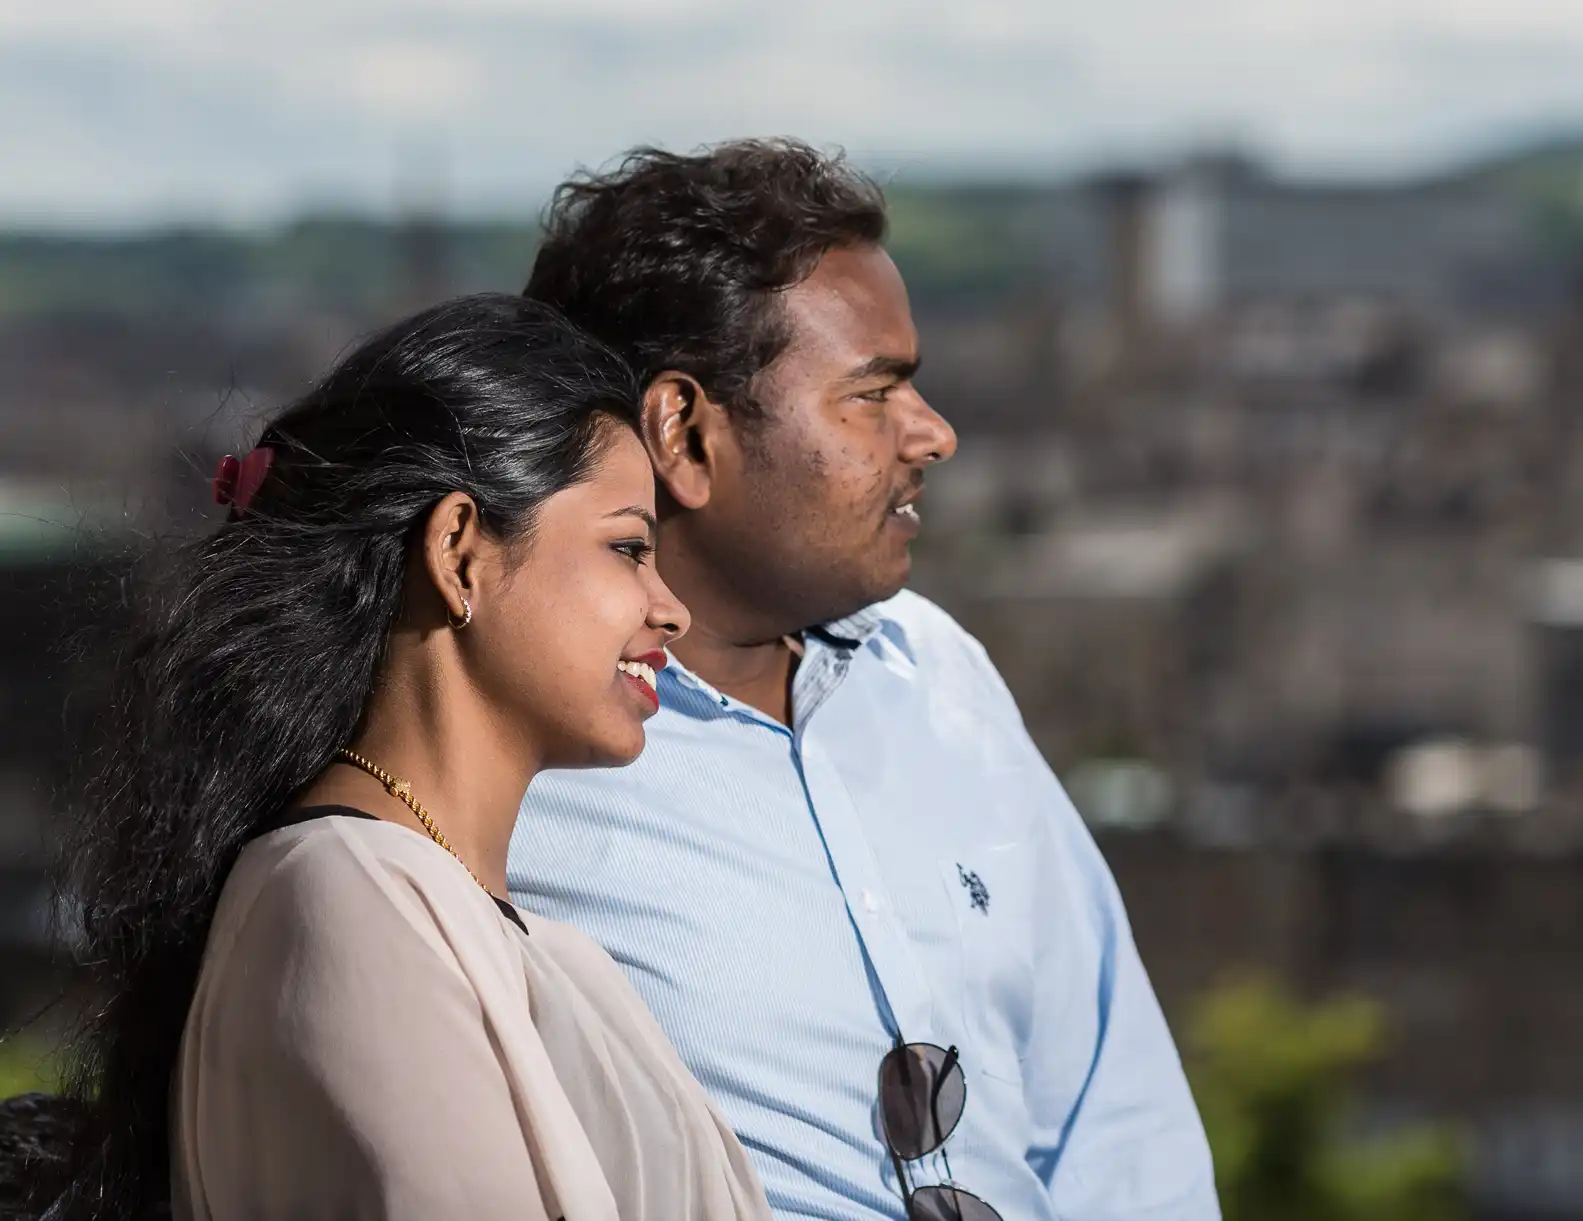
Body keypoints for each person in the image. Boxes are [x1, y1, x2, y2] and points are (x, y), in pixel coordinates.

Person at [511, 141, 1220, 1221]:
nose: (931, 435)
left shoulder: (937, 674)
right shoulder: (513, 766)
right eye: (872, 394)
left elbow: (1113, 1122)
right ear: (684, 434)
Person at [40, 295, 773, 1221]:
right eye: (628, 546)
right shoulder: (344, 894)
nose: (670, 609)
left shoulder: (503, 931)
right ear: (460, 550)